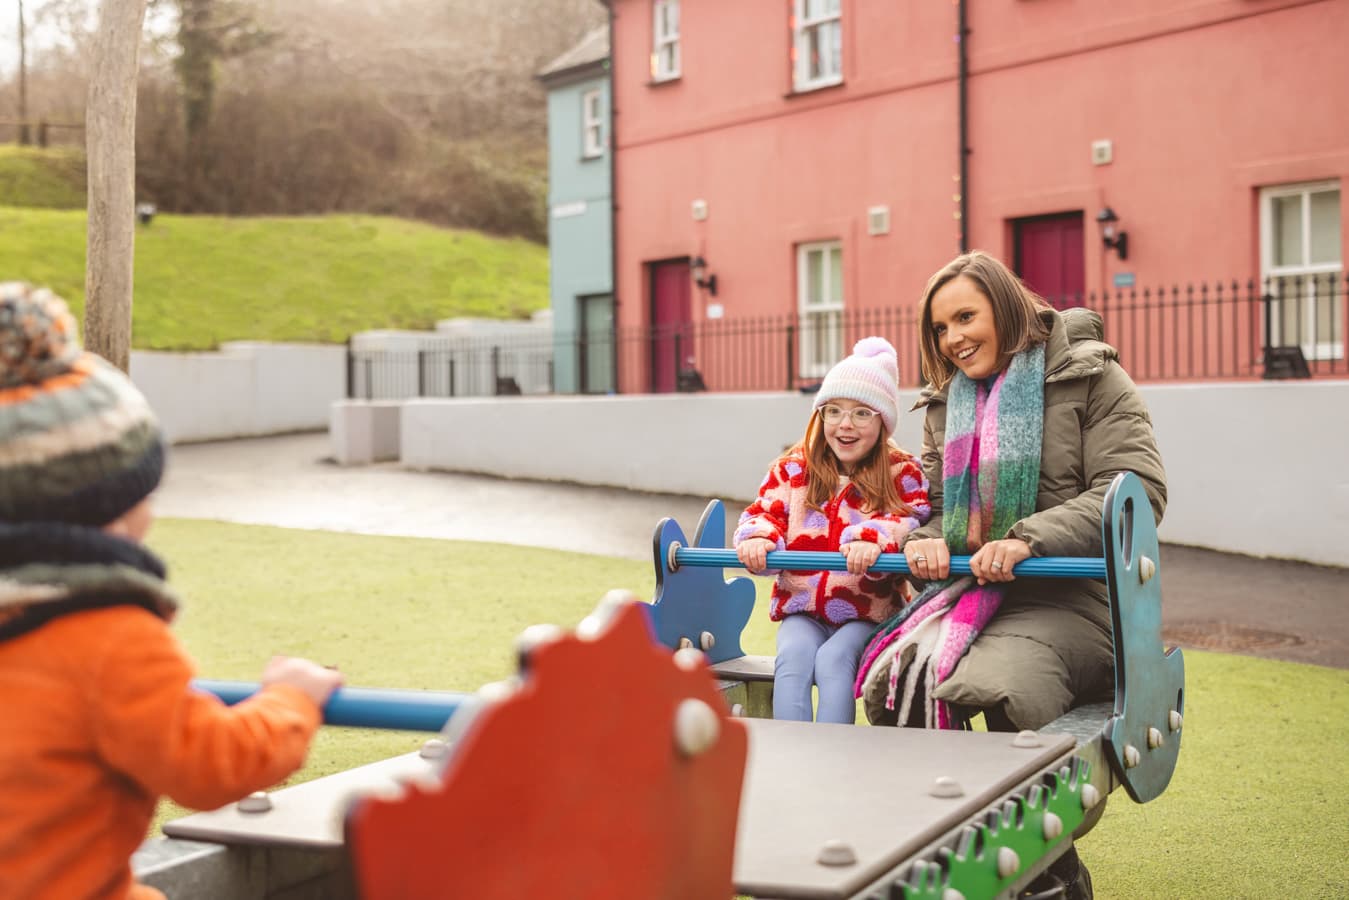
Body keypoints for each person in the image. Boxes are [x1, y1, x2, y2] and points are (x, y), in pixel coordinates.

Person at [0, 283, 344, 900]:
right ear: (100, 513)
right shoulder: (106, 639)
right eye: (143, 496)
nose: (151, 514)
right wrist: (292, 699)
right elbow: (212, 763)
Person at [853, 251, 1167, 899]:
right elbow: (941, 510)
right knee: (894, 683)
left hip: (1073, 599)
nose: (953, 338)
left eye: (965, 316)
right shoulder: (948, 401)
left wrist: (1028, 539)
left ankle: (1047, 872)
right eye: (940, 328)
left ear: (1004, 306)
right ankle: (953, 849)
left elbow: (1134, 490)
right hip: (976, 595)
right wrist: (925, 544)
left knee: (999, 690)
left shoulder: (1091, 379)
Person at [734, 336, 930, 724]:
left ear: (883, 421)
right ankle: (794, 751)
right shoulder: (793, 470)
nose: (845, 424)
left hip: (867, 611)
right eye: (834, 411)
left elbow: (912, 517)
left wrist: (872, 538)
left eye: (862, 413)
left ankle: (833, 752)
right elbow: (764, 512)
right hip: (803, 607)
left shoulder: (902, 472)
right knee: (794, 658)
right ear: (819, 416)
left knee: (834, 659)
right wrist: (758, 536)